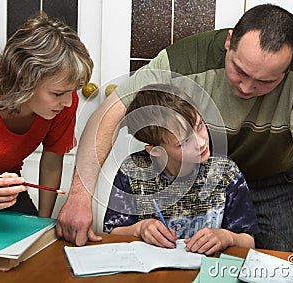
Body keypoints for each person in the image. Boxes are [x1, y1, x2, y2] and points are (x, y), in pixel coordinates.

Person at [57, 3, 293, 281]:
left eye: (266, 82)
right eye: (240, 71)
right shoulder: (185, 58)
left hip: (274, 180)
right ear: (229, 41)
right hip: (197, 173)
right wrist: (79, 198)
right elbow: (109, 113)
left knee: (284, 268)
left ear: (289, 68)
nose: (247, 88)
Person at [0, 13, 93, 221]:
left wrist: (42, 223)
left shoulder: (62, 101)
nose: (69, 103)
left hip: (3, 186)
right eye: (57, 93)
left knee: (33, 248)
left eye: (72, 91)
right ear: (24, 80)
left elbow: (52, 164)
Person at [103, 84, 259, 254]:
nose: (201, 143)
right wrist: (139, 229)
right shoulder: (134, 171)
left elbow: (248, 241)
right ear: (155, 151)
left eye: (199, 126)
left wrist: (227, 237)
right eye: (184, 142)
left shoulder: (224, 172)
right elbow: (113, 233)